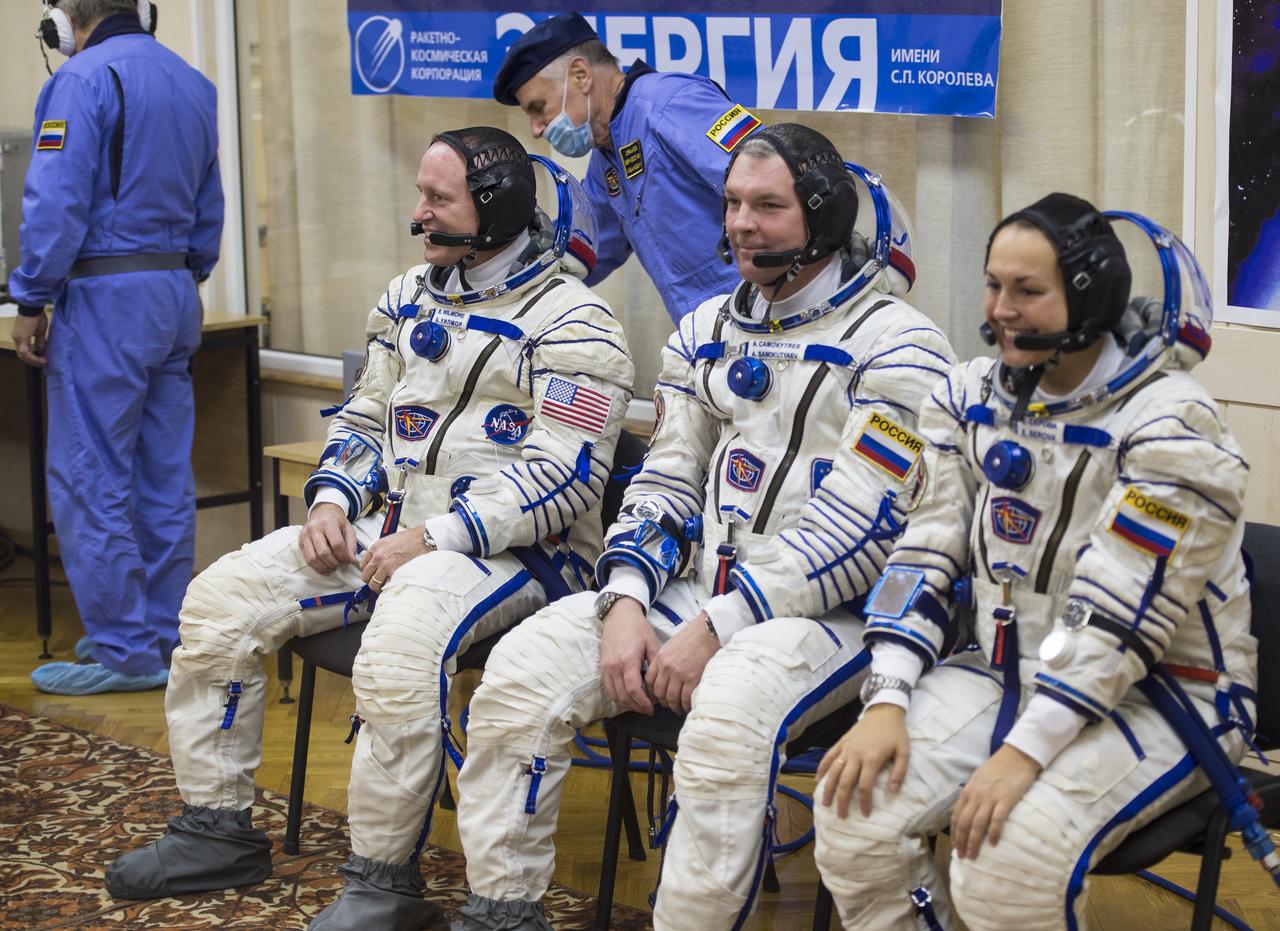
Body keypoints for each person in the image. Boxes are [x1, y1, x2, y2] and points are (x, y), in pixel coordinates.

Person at [103, 128, 635, 930]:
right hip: (386, 531)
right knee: (222, 600)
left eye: (437, 198)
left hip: (522, 555)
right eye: (421, 195)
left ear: (494, 209)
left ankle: (382, 881)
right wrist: (331, 503)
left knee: (400, 639)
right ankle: (215, 829)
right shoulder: (409, 297)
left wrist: (439, 535)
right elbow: (363, 419)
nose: (418, 213)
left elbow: (563, 478)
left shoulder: (576, 321)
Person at [452, 123, 956, 930]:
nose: (741, 225)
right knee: (519, 676)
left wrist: (720, 623)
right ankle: (501, 910)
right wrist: (623, 598)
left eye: (768, 206)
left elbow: (859, 528)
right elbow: (666, 479)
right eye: (732, 204)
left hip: (829, 616)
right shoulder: (706, 331)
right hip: (697, 589)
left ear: (821, 219)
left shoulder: (901, 349)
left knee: (722, 723)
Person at [812, 194, 1257, 931]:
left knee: (1007, 857)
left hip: (1170, 692)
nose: (1002, 308)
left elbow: (1120, 617)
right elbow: (921, 550)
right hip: (1005, 668)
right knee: (853, 808)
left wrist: (1025, 751)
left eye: (1027, 291)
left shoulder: (1174, 426)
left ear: (1088, 297)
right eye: (993, 285)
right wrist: (887, 694)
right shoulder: (968, 400)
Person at [13, 0, 222, 695]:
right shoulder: (192, 81)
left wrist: (30, 297)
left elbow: (56, 203)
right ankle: (160, 633)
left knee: (91, 474)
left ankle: (125, 649)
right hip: (172, 294)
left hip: (105, 298)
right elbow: (208, 207)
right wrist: (176, 278)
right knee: (162, 475)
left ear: (65, 18)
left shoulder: (79, 81)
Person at [493, 12, 759, 323]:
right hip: (708, 331)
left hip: (765, 313)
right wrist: (502, 264)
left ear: (581, 74)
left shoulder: (670, 103)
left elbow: (772, 179)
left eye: (538, 108)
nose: (536, 129)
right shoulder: (606, 159)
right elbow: (582, 249)